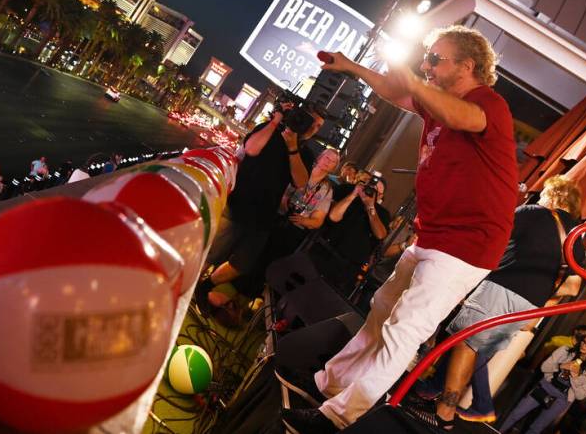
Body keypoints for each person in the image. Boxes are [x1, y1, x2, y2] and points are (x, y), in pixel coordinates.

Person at [282, 25, 518, 432]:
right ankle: (329, 385)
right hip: (435, 235)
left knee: (402, 331)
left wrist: (414, 77)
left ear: (467, 65)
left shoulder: (486, 103)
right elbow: (397, 93)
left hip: (466, 246)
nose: (426, 65)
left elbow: (459, 116)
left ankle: (335, 419)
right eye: (425, 58)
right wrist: (352, 66)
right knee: (381, 311)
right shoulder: (435, 101)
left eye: (435, 59)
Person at [413, 175, 586, 428]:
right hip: (527, 307)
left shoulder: (534, 212)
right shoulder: (576, 240)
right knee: (474, 351)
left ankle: (444, 413)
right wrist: (538, 303)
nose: (539, 197)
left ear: (554, 195)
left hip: (501, 287)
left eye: (544, 193)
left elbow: (491, 236)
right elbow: (572, 288)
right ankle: (439, 399)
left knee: (465, 343)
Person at [195, 100, 323, 314]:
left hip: (263, 216)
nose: (312, 128)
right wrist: (276, 122)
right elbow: (251, 149)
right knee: (209, 253)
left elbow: (301, 182)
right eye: (311, 121)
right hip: (237, 204)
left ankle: (204, 286)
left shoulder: (305, 154)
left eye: (319, 126)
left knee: (242, 264)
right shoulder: (269, 130)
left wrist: (292, 148)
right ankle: (186, 288)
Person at [499, 333, 586, 434]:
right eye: (584, 341)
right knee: (516, 413)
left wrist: (575, 378)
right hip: (546, 386)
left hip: (563, 398)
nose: (584, 345)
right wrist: (560, 366)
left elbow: (580, 396)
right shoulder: (565, 351)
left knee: (536, 428)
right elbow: (544, 367)